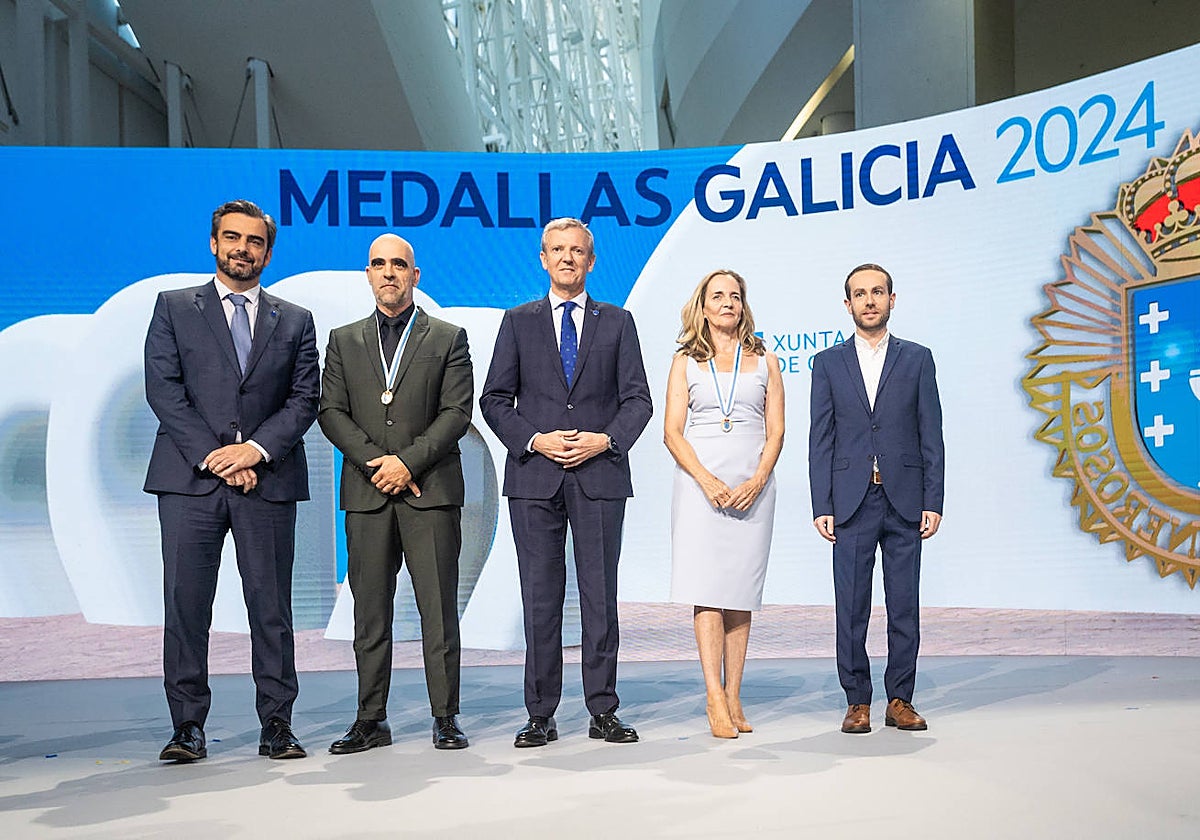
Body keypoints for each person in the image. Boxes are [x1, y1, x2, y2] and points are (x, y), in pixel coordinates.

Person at [144, 198, 320, 762]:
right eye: (233, 238)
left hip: (266, 482)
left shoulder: (295, 319)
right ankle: (187, 728)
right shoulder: (173, 307)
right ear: (214, 244)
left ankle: (277, 725)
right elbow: (164, 391)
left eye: (255, 241)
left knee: (271, 608)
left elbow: (303, 399)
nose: (244, 249)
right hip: (189, 481)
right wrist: (217, 457)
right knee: (187, 607)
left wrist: (254, 451)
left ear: (268, 251)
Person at [480, 218, 652, 748]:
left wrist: (606, 440)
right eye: (558, 250)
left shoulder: (618, 322)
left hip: (599, 476)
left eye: (577, 251)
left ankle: (603, 709)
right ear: (543, 258)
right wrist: (535, 440)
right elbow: (493, 400)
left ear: (591, 261)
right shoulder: (518, 321)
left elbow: (638, 401)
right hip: (535, 480)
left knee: (600, 598)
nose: (568, 258)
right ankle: (541, 713)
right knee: (540, 598)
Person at [318, 233, 473, 752]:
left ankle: (445, 715)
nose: (389, 272)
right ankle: (371, 719)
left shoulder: (449, 337)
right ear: (367, 274)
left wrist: (406, 462)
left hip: (429, 491)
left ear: (415, 275)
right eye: (379, 264)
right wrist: (374, 463)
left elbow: (456, 414)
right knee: (370, 613)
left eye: (399, 264)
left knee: (438, 610)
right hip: (367, 494)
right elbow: (330, 412)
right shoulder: (342, 339)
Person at [808, 263, 944, 735]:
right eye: (860, 294)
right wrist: (821, 504)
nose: (869, 300)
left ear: (892, 299)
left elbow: (932, 434)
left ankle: (901, 699)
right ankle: (858, 701)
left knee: (904, 603)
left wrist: (935, 498)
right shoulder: (826, 363)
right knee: (851, 606)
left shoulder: (918, 358)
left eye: (877, 292)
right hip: (850, 500)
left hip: (905, 499)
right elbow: (819, 438)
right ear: (847, 304)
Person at [664, 269, 784, 739]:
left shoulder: (767, 360)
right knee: (708, 589)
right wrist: (708, 481)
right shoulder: (685, 362)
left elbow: (776, 430)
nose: (728, 302)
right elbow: (673, 432)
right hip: (701, 488)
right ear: (704, 306)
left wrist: (758, 479)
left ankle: (735, 693)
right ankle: (713, 694)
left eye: (735, 295)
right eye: (719, 296)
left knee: (740, 593)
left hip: (754, 487)